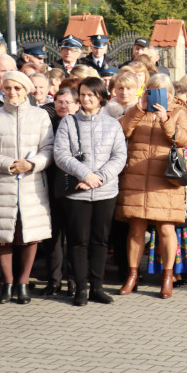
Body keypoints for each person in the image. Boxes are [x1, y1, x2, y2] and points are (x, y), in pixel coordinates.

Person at [0, 71, 55, 304]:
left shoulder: (40, 116)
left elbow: (49, 149)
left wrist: (31, 164)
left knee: (29, 236)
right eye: (8, 88)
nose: (12, 92)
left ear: (26, 90)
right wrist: (9, 164)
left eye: (17, 88)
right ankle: (7, 283)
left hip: (32, 185)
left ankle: (23, 282)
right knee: (3, 236)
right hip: (2, 184)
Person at [116, 73, 187, 299]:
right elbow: (121, 131)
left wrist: (165, 119)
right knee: (136, 229)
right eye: (152, 91)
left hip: (165, 180)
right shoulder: (137, 111)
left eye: (162, 92)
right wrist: (138, 109)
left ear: (170, 93)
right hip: (137, 179)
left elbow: (183, 139)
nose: (158, 96)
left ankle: (167, 277)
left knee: (166, 229)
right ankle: (132, 276)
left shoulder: (179, 112)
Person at [53, 77, 127, 306]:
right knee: (78, 241)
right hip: (77, 192)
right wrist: (85, 175)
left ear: (101, 97)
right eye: (83, 94)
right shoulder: (68, 123)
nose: (86, 99)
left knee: (100, 240)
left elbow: (120, 156)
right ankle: (80, 288)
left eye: (91, 95)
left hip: (105, 192)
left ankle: (97, 286)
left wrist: (99, 178)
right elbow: (61, 155)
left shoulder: (113, 124)